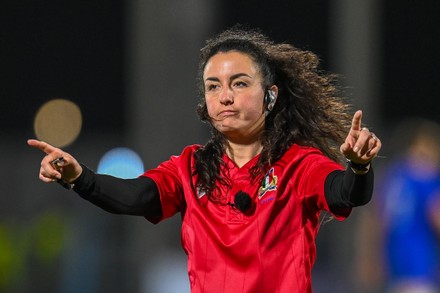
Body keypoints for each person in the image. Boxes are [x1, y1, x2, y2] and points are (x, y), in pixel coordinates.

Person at [28, 27, 381, 293]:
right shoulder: (190, 167)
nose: (225, 97)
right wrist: (79, 177)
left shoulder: (299, 164)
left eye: (239, 83)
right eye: (213, 86)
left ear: (270, 96)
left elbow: (345, 193)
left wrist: (359, 166)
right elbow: (136, 196)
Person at [375, 118, 440, 293]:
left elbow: (377, 221)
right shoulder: (426, 177)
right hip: (420, 267)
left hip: (394, 266)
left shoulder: (391, 175)